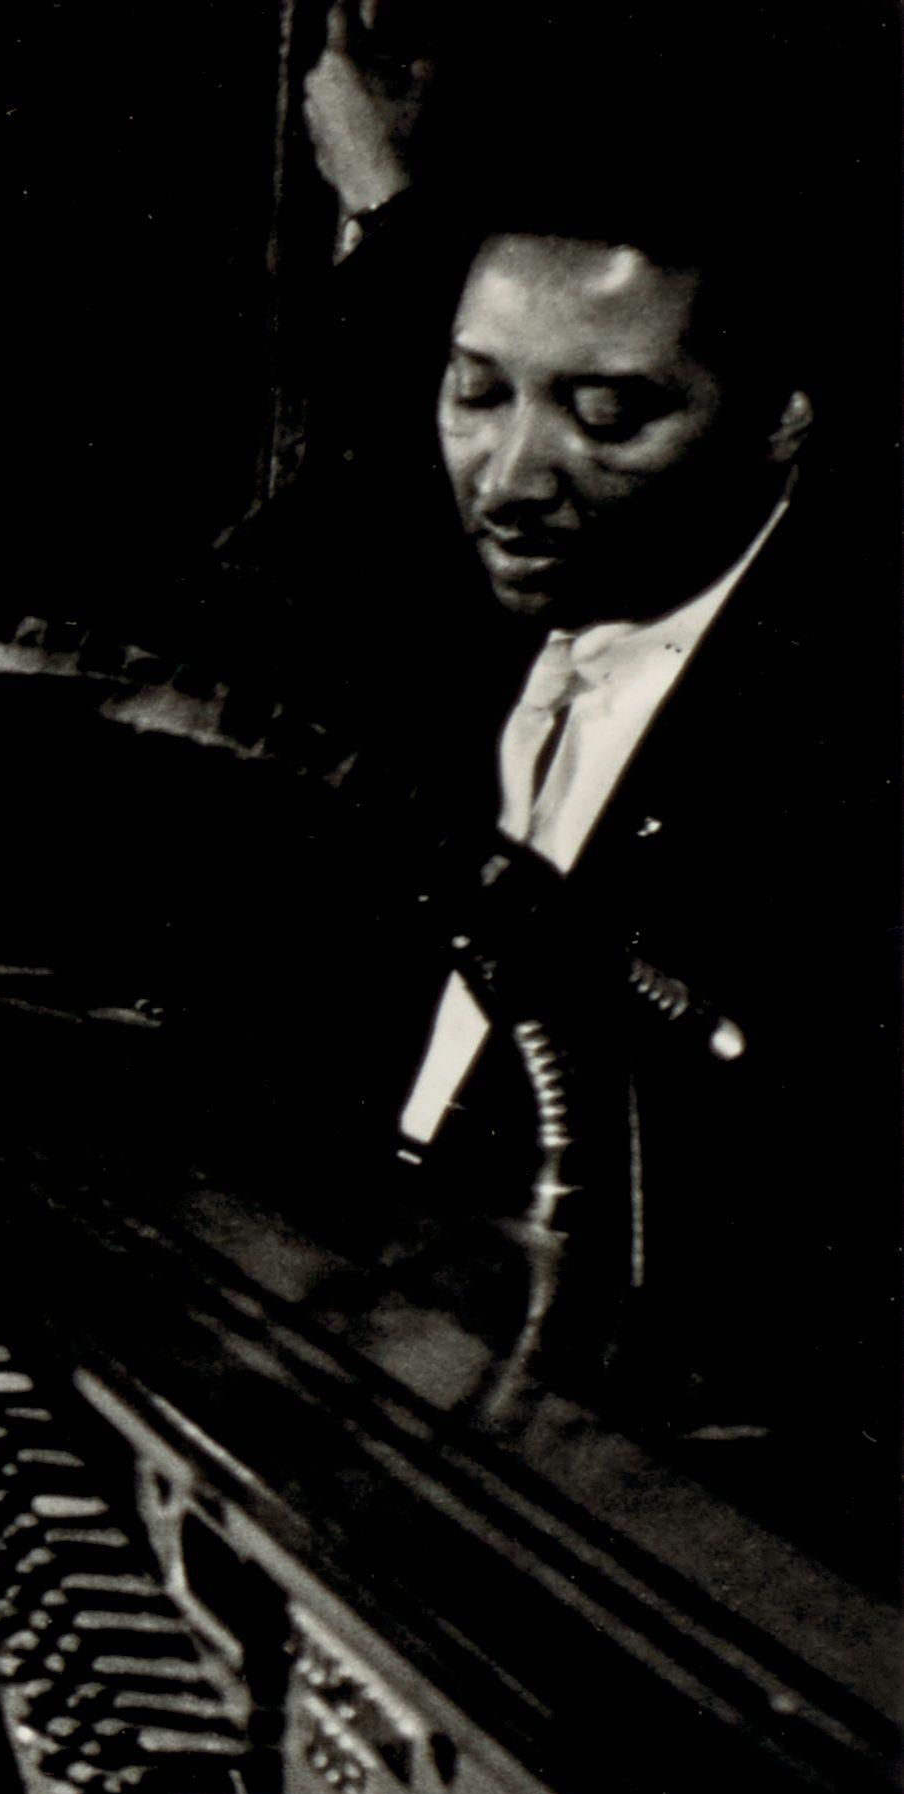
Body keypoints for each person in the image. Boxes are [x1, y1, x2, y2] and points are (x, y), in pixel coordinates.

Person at [361, 149, 891, 1454]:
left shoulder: (845, 761)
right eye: (474, 392)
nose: (507, 477)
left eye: (604, 417)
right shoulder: (396, 618)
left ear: (783, 421)